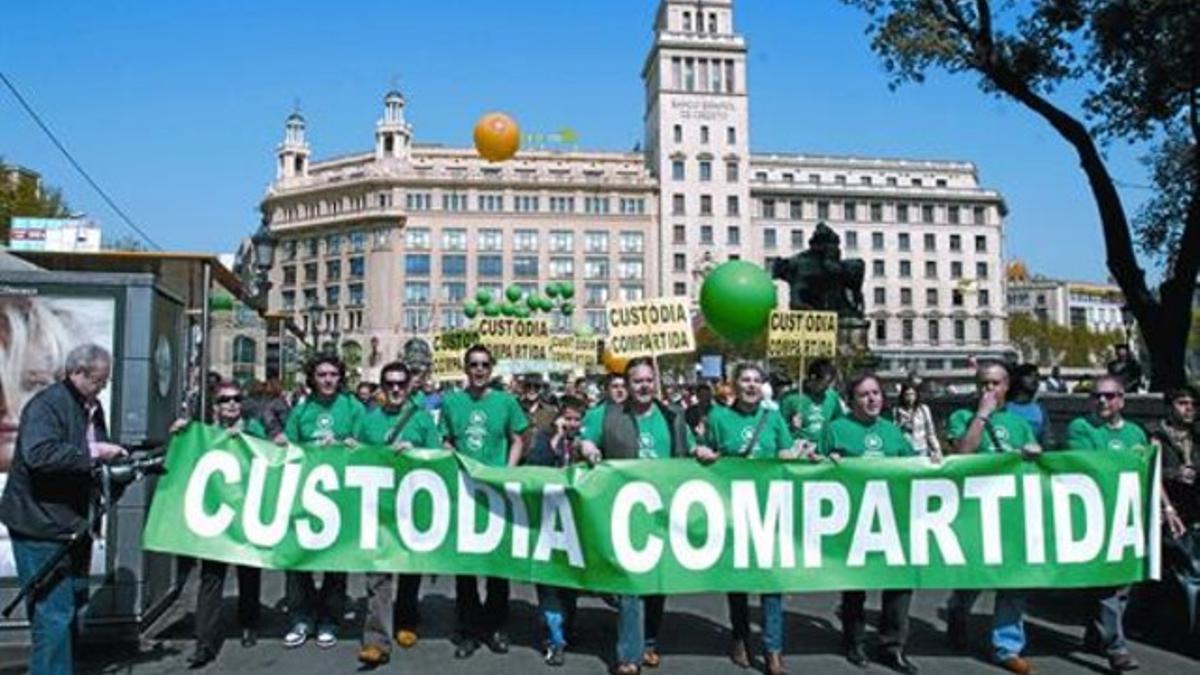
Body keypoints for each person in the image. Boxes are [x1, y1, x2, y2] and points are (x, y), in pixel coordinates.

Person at [0, 343, 127, 675]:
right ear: (78, 372)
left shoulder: (91, 406)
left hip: (73, 521)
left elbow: (88, 460)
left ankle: (61, 668)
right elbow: (39, 455)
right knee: (53, 612)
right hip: (40, 523)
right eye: (99, 379)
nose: (104, 386)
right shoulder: (48, 405)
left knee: (72, 603)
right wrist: (95, 452)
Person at [579, 357, 703, 675]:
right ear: (629, 385)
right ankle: (628, 657)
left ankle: (648, 642)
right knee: (631, 586)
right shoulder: (607, 415)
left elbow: (689, 448)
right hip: (625, 514)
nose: (644, 386)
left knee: (657, 585)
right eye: (637, 381)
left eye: (649, 380)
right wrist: (590, 449)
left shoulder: (672, 415)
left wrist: (700, 451)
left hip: (665, 514)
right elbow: (587, 438)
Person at [694, 363, 801, 675]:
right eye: (745, 380)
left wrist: (792, 454)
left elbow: (785, 453)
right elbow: (705, 452)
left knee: (771, 582)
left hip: (769, 511)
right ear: (734, 385)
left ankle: (773, 651)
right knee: (737, 582)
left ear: (763, 386)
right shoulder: (718, 417)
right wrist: (702, 452)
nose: (751, 385)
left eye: (757, 380)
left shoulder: (773, 417)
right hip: (732, 510)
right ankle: (740, 635)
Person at [820, 372, 922, 675]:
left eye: (876, 393)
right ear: (851, 400)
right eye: (864, 394)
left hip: (891, 517)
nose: (872, 399)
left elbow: (914, 467)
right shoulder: (835, 430)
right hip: (853, 518)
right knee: (855, 585)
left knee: (899, 584)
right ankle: (854, 641)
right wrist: (827, 463)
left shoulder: (892, 432)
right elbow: (812, 471)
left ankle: (893, 646)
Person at [944, 363, 1041, 674]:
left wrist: (1033, 454)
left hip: (1011, 511)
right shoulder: (962, 417)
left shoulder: (1018, 422)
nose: (989, 390)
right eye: (983, 384)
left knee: (1013, 579)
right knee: (974, 575)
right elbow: (962, 456)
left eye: (995, 384)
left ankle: (1007, 646)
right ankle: (958, 611)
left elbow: (1033, 466)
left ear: (1006, 386)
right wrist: (981, 416)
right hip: (974, 511)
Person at [439, 345, 528, 659]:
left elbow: (518, 438)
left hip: (496, 493)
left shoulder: (506, 401)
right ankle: (468, 629)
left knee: (496, 565)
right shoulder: (452, 401)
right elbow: (447, 440)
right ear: (465, 368)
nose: (479, 370)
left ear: (492, 369)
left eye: (485, 365)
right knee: (465, 567)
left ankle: (496, 626)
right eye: (473, 364)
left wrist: (508, 472)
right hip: (464, 493)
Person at [171, 380, 265, 668]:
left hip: (247, 511)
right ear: (215, 406)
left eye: (237, 399)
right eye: (225, 400)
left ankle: (248, 622)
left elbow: (270, 454)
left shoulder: (254, 429)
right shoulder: (202, 433)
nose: (232, 404)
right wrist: (177, 436)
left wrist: (247, 438)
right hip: (215, 515)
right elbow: (179, 461)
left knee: (249, 571)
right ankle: (204, 642)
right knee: (211, 577)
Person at [354, 362, 442, 667]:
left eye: (401, 384)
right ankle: (376, 640)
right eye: (389, 383)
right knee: (377, 573)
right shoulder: (368, 420)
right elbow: (354, 457)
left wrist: (416, 453)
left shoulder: (421, 420)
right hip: (377, 508)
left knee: (408, 568)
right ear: (381, 386)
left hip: (412, 507)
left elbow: (438, 457)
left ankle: (406, 620)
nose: (395, 389)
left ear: (408, 387)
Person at [279, 354, 366, 650]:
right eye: (321, 374)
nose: (328, 379)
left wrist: (353, 446)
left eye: (332, 374)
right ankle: (301, 617)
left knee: (335, 561)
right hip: (305, 495)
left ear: (340, 378)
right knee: (298, 559)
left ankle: (330, 618)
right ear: (312, 378)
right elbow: (289, 447)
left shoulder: (353, 407)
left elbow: (368, 447)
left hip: (340, 497)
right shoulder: (302, 410)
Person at [1064, 375, 1146, 672]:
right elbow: (1087, 464)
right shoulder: (1081, 427)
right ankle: (1116, 648)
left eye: (1110, 396)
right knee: (1107, 586)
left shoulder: (1136, 432)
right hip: (1095, 516)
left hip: (1127, 515)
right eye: (1097, 396)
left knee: (1122, 585)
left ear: (1122, 400)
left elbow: (1146, 470)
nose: (1103, 401)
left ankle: (1095, 634)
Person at [526, 395, 587, 667]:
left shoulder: (585, 443)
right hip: (548, 519)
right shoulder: (545, 438)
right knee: (549, 582)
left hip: (576, 522)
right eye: (568, 419)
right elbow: (535, 464)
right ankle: (555, 639)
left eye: (576, 419)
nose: (572, 424)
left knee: (569, 583)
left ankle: (567, 626)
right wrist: (556, 438)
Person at [1152, 385, 1199, 533]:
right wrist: (1174, 473)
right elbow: (1149, 471)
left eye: (1193, 404)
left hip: (1193, 508)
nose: (1189, 408)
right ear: (1169, 407)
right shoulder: (1155, 434)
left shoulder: (1197, 436)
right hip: (1166, 508)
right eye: (1182, 403)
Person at [778, 358, 845, 446]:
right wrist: (791, 426)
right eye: (825, 383)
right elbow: (779, 427)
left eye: (830, 382)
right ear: (813, 378)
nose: (828, 387)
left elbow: (839, 422)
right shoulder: (789, 398)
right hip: (800, 446)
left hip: (825, 446)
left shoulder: (832, 397)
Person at [1005, 364, 1053, 448]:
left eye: (1037, 376)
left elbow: (1046, 440)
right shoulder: (1004, 407)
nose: (1034, 380)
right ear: (1018, 379)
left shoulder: (1040, 410)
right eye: (1029, 376)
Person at [892, 381, 942, 458]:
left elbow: (930, 432)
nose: (910, 397)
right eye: (907, 395)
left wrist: (937, 449)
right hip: (906, 449)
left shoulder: (924, 409)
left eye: (912, 394)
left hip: (921, 448)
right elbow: (894, 431)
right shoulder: (897, 410)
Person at [519, 376, 559, 456]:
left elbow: (557, 434)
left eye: (536, 386)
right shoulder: (516, 409)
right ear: (523, 388)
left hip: (543, 459)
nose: (532, 389)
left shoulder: (551, 411)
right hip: (520, 459)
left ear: (541, 389)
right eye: (528, 386)